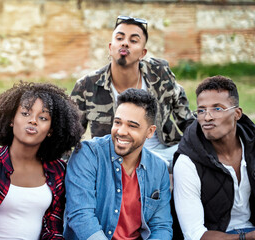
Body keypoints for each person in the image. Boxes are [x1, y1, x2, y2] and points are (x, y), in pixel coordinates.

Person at [70, 15, 194, 168]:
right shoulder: (87, 85)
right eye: (120, 38)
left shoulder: (160, 73)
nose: (125, 43)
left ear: (143, 53)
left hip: (164, 155)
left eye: (133, 40)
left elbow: (186, 118)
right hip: (113, 162)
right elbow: (69, 134)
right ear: (110, 47)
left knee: (188, 159)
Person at [0, 81, 83, 240]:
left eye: (43, 117)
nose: (33, 121)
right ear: (11, 120)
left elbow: (53, 227)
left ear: (51, 129)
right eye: (25, 113)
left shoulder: (58, 170)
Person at [64, 88, 172, 240]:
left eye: (132, 126)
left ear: (150, 131)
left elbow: (161, 226)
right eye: (118, 122)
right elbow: (81, 215)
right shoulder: (88, 154)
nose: (121, 131)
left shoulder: (158, 168)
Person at [173, 75, 255, 240]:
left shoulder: (252, 147)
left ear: (237, 113)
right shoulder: (187, 162)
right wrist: (245, 238)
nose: (207, 117)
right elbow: (194, 234)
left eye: (217, 108)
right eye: (201, 110)